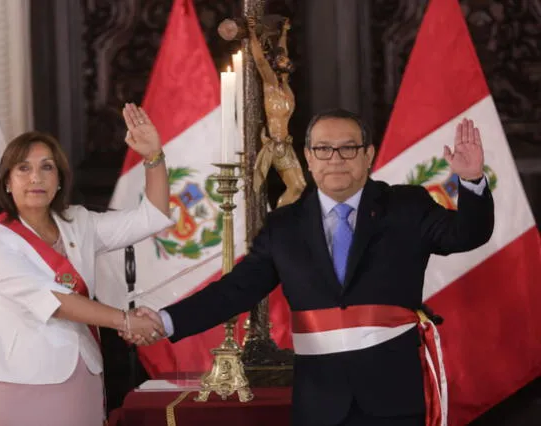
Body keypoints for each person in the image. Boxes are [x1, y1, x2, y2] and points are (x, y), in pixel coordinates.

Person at [131, 109, 495, 426]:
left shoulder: (407, 205)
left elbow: (467, 235)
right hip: (320, 403)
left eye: (348, 147)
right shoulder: (284, 226)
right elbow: (235, 290)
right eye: (323, 148)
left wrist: (472, 180)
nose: (335, 158)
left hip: (393, 395)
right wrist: (165, 321)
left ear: (368, 154)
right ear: (308, 156)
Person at [0, 103, 169, 426]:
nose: (36, 177)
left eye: (47, 167)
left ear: (60, 179)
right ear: (6, 181)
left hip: (80, 375)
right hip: (15, 382)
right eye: (23, 168)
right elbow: (53, 301)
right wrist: (125, 321)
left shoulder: (78, 222)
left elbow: (153, 217)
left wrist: (153, 157)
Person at [249, 16, 307, 207]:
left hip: (286, 145)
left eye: (286, 59)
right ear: (275, 64)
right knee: (296, 187)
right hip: (275, 146)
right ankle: (278, 219)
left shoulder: (285, 86)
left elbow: (283, 51)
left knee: (301, 186)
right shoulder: (271, 85)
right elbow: (259, 60)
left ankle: (283, 218)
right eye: (282, 60)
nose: (286, 60)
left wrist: (284, 32)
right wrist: (251, 32)